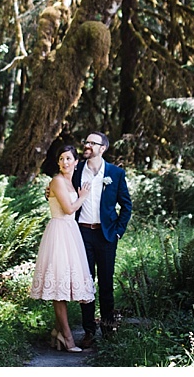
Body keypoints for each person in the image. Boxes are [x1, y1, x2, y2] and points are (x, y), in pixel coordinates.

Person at [28, 143, 95, 352]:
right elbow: (67, 209)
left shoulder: (70, 182)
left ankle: (58, 330)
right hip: (59, 232)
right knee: (59, 286)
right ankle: (67, 337)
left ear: (76, 162)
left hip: (70, 232)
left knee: (65, 284)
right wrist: (83, 197)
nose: (65, 162)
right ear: (58, 163)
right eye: (62, 159)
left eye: (69, 158)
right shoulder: (57, 181)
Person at [72, 131, 132, 348]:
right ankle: (89, 331)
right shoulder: (77, 169)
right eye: (85, 142)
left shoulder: (115, 173)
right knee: (86, 284)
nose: (87, 145)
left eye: (91, 143)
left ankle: (108, 329)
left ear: (102, 148)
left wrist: (117, 231)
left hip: (107, 236)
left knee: (106, 283)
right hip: (82, 234)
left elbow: (126, 206)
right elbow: (65, 191)